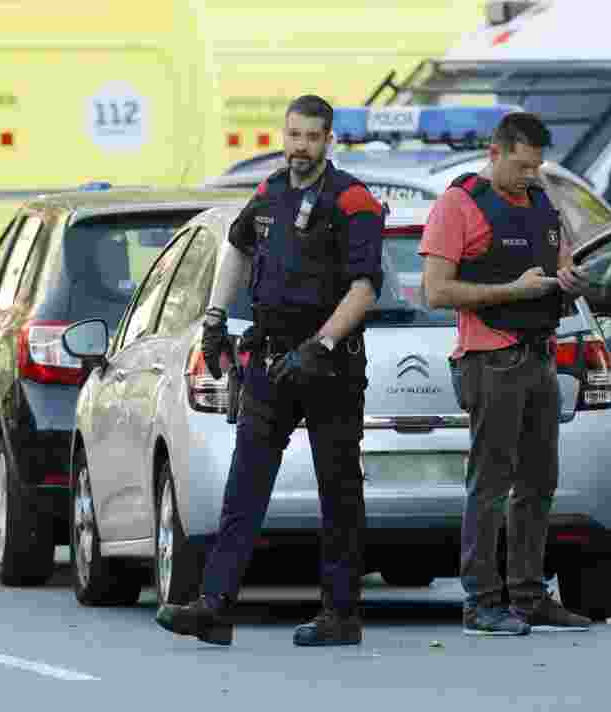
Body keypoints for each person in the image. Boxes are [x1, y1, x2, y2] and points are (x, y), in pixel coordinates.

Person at [155, 95, 384, 647]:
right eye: (293, 136)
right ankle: (214, 605)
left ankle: (340, 613)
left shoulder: (353, 200)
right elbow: (237, 248)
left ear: (330, 140)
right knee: (246, 484)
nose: (299, 147)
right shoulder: (269, 192)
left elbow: (365, 288)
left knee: (338, 488)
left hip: (329, 366)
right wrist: (213, 319)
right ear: (283, 136)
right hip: (271, 359)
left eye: (311, 138)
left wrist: (324, 343)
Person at [419, 112, 593, 636]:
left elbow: (557, 267)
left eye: (536, 167)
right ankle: (481, 602)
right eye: (520, 166)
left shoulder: (540, 201)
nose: (529, 176)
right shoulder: (459, 205)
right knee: (490, 486)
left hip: (539, 353)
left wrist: (571, 281)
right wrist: (513, 291)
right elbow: (437, 291)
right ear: (494, 154)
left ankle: (528, 595)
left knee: (539, 484)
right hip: (490, 359)